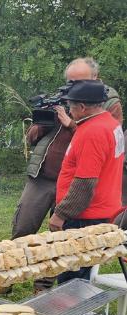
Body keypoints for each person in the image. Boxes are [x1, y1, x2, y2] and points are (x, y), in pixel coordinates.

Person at [12, 58, 121, 292]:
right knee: (24, 228)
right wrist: (43, 121)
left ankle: (53, 293)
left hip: (81, 197)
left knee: (69, 258)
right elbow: (34, 135)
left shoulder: (101, 116)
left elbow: (89, 174)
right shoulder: (74, 104)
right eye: (69, 82)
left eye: (77, 82)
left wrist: (71, 123)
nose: (70, 90)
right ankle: (9, 276)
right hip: (48, 176)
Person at [48, 80, 124, 282]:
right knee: (84, 272)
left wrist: (60, 214)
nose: (69, 111)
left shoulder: (92, 132)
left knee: (72, 275)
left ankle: (73, 314)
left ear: (82, 107)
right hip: (101, 211)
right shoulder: (111, 124)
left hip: (84, 216)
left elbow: (84, 183)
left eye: (71, 106)